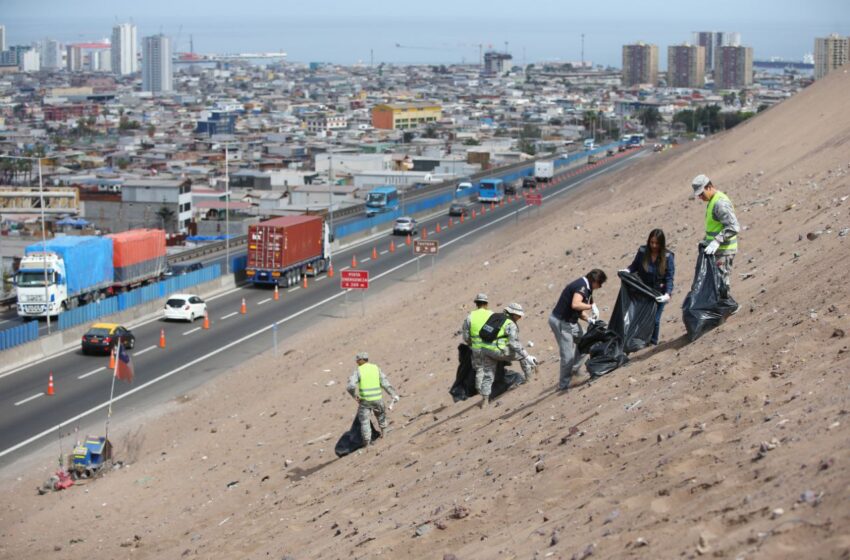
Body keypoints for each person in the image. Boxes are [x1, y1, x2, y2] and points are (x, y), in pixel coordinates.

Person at [549, 269, 607, 391]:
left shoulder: (587, 288)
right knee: (568, 355)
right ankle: (563, 386)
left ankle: (574, 370)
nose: (600, 287)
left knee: (586, 341)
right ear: (595, 281)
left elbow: (578, 311)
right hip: (561, 322)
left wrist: (589, 319)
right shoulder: (582, 286)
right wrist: (591, 306)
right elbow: (575, 304)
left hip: (571, 322)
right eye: (600, 284)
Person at [477, 303, 538, 408]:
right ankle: (528, 379)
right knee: (522, 355)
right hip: (497, 350)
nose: (519, 318)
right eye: (518, 315)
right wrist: (527, 356)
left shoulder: (495, 317)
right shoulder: (510, 323)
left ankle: (485, 400)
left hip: (484, 349)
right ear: (513, 314)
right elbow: (513, 343)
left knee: (488, 374)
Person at [624, 229, 675, 345]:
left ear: (661, 244)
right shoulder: (643, 252)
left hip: (659, 292)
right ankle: (643, 340)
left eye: (657, 243)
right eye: (651, 242)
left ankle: (653, 342)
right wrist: (627, 271)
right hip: (644, 290)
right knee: (642, 318)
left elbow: (669, 277)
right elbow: (635, 266)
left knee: (655, 319)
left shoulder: (667, 257)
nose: (654, 245)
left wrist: (667, 294)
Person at [692, 174, 739, 298]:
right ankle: (722, 310)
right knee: (716, 282)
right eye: (698, 195)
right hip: (717, 250)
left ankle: (725, 310)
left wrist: (717, 241)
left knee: (721, 284)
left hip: (724, 250)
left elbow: (733, 227)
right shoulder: (712, 201)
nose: (700, 197)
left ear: (709, 187)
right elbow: (715, 227)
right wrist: (706, 241)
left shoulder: (719, 203)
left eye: (701, 193)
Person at [346, 352, 400, 448]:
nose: (356, 362)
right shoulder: (376, 368)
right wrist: (393, 394)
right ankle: (385, 434)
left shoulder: (358, 371)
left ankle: (367, 443)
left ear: (362, 360)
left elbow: (350, 386)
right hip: (377, 399)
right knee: (381, 416)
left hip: (365, 401)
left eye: (357, 360)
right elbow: (385, 383)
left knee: (365, 421)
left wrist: (355, 396)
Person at [461, 292, 493, 400]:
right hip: (491, 346)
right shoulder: (491, 315)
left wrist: (471, 343)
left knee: (480, 369)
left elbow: (465, 336)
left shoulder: (470, 317)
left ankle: (480, 391)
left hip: (477, 348)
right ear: (486, 304)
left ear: (476, 304)